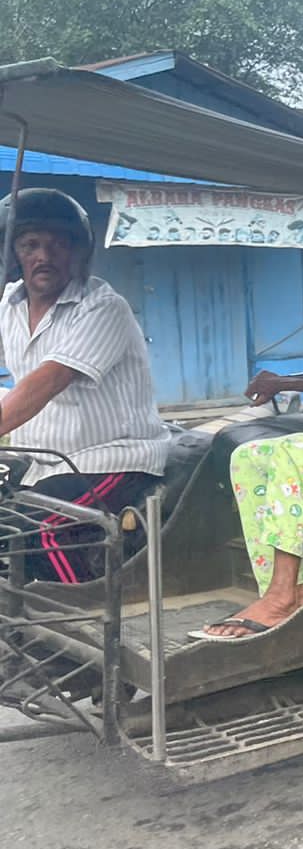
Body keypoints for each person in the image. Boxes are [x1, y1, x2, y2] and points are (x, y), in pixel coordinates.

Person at [0, 189, 168, 582]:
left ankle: (84, 617)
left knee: (39, 531)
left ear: (77, 252)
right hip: (45, 463)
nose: (44, 255)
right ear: (13, 253)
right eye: (31, 244)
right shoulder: (8, 303)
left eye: (58, 244)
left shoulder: (102, 307)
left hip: (111, 460)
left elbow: (48, 380)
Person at [192, 372, 303, 641]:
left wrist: (287, 383)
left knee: (289, 454)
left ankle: (281, 595)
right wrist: (285, 382)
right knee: (247, 457)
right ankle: (300, 587)